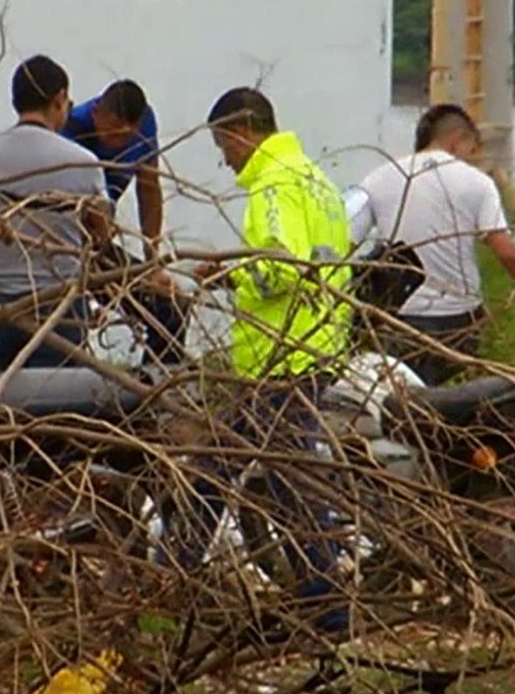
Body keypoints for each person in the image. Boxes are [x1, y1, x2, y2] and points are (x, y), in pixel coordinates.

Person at [161, 87, 351, 634]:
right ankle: (172, 570)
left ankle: (325, 602)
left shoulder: (272, 186)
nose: (224, 158)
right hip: (313, 348)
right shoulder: (315, 179)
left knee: (274, 480)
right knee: (232, 468)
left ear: (240, 133)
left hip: (281, 360)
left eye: (223, 144)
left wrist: (229, 274)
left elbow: (279, 269)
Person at [347, 103, 515, 386]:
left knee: (401, 400)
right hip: (457, 322)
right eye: (471, 149)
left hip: (394, 320)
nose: (471, 158)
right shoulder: (476, 183)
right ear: (457, 140)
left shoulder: (379, 178)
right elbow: (507, 253)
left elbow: (346, 240)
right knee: (453, 405)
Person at [0, 54, 110, 375]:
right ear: (59, 99)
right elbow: (101, 232)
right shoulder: (81, 162)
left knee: (0, 406)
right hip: (58, 304)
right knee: (56, 404)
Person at [61, 80, 189, 364]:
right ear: (98, 114)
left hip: (101, 245)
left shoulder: (145, 123)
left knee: (171, 307)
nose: (121, 143)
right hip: (63, 248)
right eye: (114, 134)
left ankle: (156, 389)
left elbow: (148, 187)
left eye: (127, 137)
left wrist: (151, 262)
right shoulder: (70, 130)